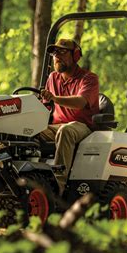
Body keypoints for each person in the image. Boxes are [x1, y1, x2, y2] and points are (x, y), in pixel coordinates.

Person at [40, 38, 99, 197]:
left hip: (82, 126)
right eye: (54, 52)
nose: (56, 56)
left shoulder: (89, 78)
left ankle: (56, 188)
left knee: (65, 131)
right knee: (30, 131)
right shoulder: (53, 78)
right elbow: (45, 106)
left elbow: (80, 102)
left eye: (62, 52)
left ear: (76, 55)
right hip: (56, 126)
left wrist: (54, 98)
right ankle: (34, 177)